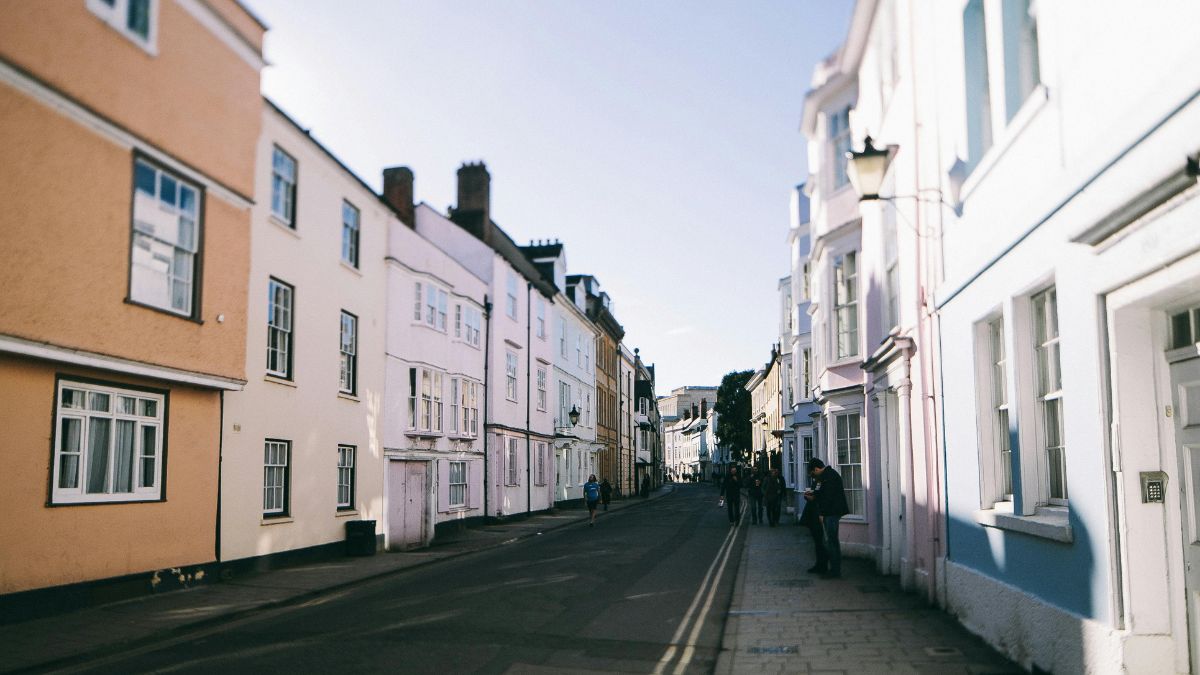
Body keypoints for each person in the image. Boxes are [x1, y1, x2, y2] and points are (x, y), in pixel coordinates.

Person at [807, 458, 850, 578]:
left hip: (832, 513)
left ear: (816, 469)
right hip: (830, 512)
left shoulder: (829, 476)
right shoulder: (826, 476)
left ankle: (835, 571)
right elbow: (822, 494)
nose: (813, 477)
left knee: (832, 542)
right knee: (830, 541)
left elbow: (828, 498)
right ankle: (833, 569)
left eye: (813, 474)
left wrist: (822, 513)